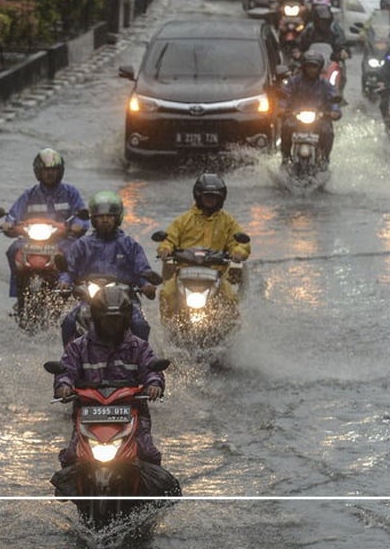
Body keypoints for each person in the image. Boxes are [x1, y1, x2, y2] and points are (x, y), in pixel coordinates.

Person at [52, 287, 165, 467]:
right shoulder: (79, 347)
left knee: (148, 453)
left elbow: (151, 368)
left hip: (131, 411)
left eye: (117, 320)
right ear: (97, 318)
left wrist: (154, 384)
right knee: (71, 457)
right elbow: (66, 370)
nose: (113, 325)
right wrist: (63, 386)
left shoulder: (139, 347)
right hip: (89, 412)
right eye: (108, 320)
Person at [58, 191, 158, 345]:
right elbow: (69, 270)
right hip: (90, 300)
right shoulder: (82, 245)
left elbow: (142, 270)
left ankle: (142, 361)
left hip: (125, 300)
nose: (105, 220)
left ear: (117, 218)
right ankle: (70, 362)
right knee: (69, 322)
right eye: (100, 216)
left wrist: (146, 285)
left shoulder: (129, 244)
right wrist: (64, 282)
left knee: (140, 324)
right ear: (93, 219)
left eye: (109, 216)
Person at [156, 174, 252, 321]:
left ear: (221, 198)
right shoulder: (183, 220)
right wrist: (165, 249)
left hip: (216, 275)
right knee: (166, 294)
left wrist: (238, 252)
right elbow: (169, 238)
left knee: (231, 299)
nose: (210, 200)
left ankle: (230, 333)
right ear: (198, 196)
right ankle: (168, 329)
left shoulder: (228, 221)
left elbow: (241, 241)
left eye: (214, 196)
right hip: (184, 273)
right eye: (207, 196)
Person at [1, 148, 89, 301]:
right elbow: (13, 214)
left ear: (60, 171)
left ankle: (68, 285)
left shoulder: (70, 193)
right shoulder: (29, 194)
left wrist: (78, 225)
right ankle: (18, 291)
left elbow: (81, 215)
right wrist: (8, 224)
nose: (50, 173)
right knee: (13, 250)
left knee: (73, 252)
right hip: (31, 240)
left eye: (54, 170)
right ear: (38, 172)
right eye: (46, 170)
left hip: (62, 239)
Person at [279, 50, 342, 163]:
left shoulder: (325, 84)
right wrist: (282, 108)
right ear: (304, 67)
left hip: (320, 119)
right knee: (286, 128)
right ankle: (285, 157)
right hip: (295, 118)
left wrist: (335, 111)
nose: (311, 70)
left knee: (328, 132)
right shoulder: (294, 82)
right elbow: (285, 96)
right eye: (309, 66)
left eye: (314, 67)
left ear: (319, 68)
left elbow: (333, 98)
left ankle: (325, 159)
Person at [297, 0, 349, 69]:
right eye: (320, 21)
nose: (322, 23)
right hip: (312, 65)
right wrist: (298, 51)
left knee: (340, 67)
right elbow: (301, 43)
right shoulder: (309, 29)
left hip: (331, 63)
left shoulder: (335, 28)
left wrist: (342, 51)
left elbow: (341, 42)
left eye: (325, 21)